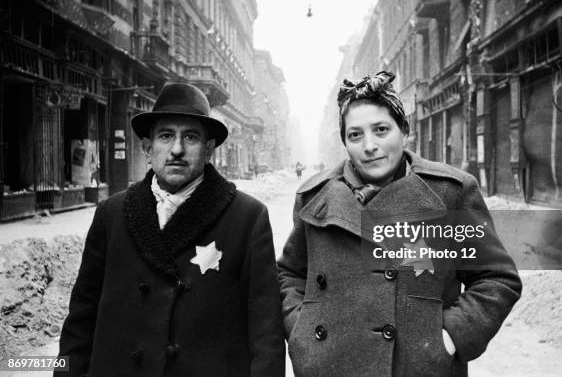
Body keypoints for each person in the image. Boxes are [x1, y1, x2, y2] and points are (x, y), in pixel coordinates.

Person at [278, 72, 522, 376]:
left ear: (403, 131)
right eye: (355, 135)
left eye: (381, 130)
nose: (369, 146)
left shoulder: (450, 192)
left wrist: (448, 336)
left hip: (416, 367)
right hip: (329, 365)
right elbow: (289, 273)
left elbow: (496, 279)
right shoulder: (314, 197)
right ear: (345, 142)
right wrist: (301, 329)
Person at [56, 83, 285, 376]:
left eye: (190, 137)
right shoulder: (111, 215)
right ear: (148, 148)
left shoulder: (247, 218)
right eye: (166, 136)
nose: (177, 149)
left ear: (209, 150)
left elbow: (266, 332)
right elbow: (80, 320)